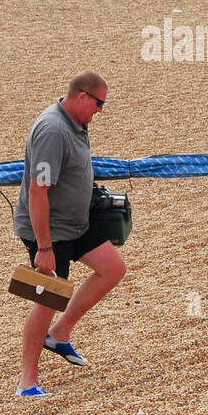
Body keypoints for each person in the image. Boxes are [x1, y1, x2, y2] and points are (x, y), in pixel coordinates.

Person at [12, 71, 125, 397]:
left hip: (75, 222)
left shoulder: (76, 122)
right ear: (81, 96)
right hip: (50, 230)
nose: (101, 110)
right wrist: (44, 248)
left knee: (112, 269)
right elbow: (37, 191)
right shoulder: (53, 131)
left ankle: (59, 335)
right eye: (99, 103)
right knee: (48, 297)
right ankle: (27, 382)